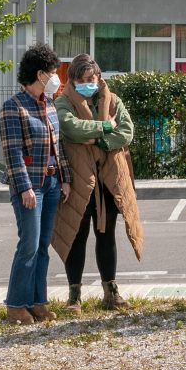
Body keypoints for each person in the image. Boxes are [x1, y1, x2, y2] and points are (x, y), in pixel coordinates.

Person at [52, 53, 142, 314]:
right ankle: (74, 296)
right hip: (80, 179)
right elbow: (70, 129)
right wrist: (105, 126)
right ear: (73, 80)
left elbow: (127, 131)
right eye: (82, 80)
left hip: (108, 180)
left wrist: (102, 141)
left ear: (99, 76)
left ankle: (110, 292)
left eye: (91, 78)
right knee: (76, 235)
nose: (88, 83)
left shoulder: (113, 100)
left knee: (107, 233)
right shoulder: (64, 102)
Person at [0, 43, 72, 325]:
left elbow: (59, 147)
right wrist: (26, 187)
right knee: (28, 244)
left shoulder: (49, 104)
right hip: (31, 187)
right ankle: (16, 305)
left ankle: (37, 301)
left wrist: (64, 179)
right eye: (53, 72)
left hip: (53, 184)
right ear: (40, 74)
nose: (57, 77)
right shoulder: (13, 107)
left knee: (42, 245)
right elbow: (13, 152)